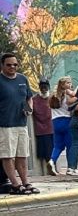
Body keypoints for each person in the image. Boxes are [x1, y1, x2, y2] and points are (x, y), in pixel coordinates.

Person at [0, 53, 36, 194]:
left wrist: (29, 109)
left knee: (22, 155)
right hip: (5, 125)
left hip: (21, 123)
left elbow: (28, 98)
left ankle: (25, 182)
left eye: (15, 64)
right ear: (2, 65)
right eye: (9, 65)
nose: (12, 67)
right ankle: (15, 184)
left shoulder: (23, 79)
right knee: (7, 155)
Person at [48, 76, 76, 174]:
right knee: (70, 145)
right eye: (68, 83)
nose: (70, 85)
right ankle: (70, 167)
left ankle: (52, 160)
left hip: (55, 121)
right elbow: (72, 103)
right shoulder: (67, 94)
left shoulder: (53, 96)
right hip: (66, 121)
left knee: (57, 145)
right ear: (63, 84)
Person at [33, 80, 54, 176]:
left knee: (50, 150)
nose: (44, 88)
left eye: (45, 86)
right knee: (41, 153)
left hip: (51, 128)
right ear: (39, 87)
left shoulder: (52, 98)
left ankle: (49, 169)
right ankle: (44, 171)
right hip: (40, 129)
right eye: (42, 86)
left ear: (48, 87)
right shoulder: (34, 99)